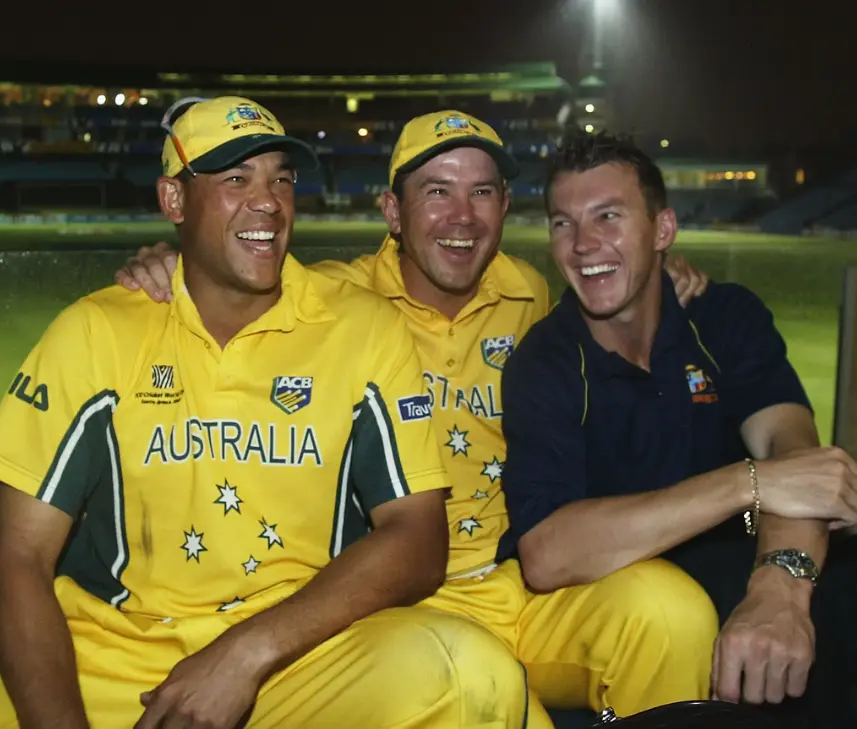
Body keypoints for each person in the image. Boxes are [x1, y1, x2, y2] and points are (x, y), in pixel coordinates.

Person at [0, 96, 527, 729]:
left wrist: (245, 653)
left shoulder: (362, 328)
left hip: (302, 656)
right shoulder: (93, 333)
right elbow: (18, 558)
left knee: (475, 676)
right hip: (111, 658)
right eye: (234, 179)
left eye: (281, 178)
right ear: (173, 201)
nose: (268, 200)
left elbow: (419, 540)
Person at [115, 110, 719, 728]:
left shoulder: (531, 295)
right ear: (393, 212)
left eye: (482, 192)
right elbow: (232, 283)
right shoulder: (331, 302)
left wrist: (661, 271)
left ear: (505, 206)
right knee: (488, 694)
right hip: (394, 604)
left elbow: (618, 302)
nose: (463, 216)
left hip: (528, 585)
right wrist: (167, 258)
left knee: (674, 615)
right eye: (436, 192)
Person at [499, 128, 857, 728]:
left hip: (755, 561)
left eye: (608, 216)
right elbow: (547, 554)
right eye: (563, 223)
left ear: (662, 230)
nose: (584, 244)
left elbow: (795, 456)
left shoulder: (725, 316)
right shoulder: (545, 362)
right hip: (633, 587)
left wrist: (780, 587)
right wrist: (748, 483)